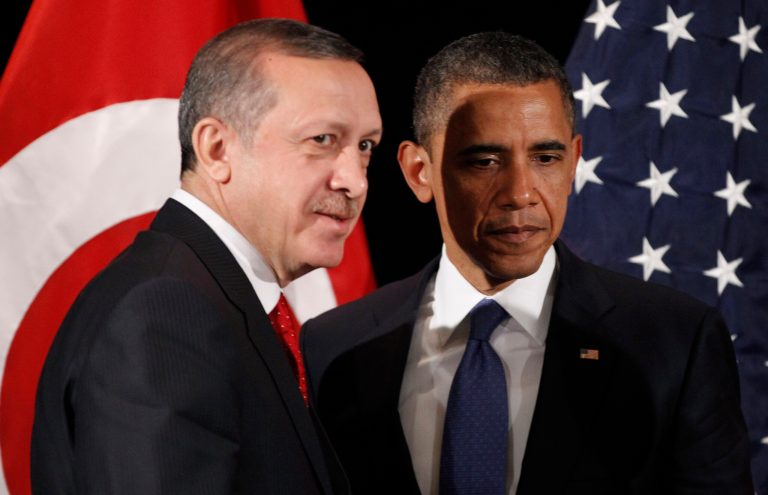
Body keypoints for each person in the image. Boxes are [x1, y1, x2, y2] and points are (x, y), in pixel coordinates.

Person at [301, 32, 753, 494]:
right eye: (484, 161)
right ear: (420, 172)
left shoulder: (674, 344)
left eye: (545, 157)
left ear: (574, 160)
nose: (520, 193)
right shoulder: (334, 346)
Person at [31, 18, 382, 494]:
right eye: (322, 140)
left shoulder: (210, 298)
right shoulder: (165, 314)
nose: (355, 181)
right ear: (216, 149)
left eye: (364, 147)